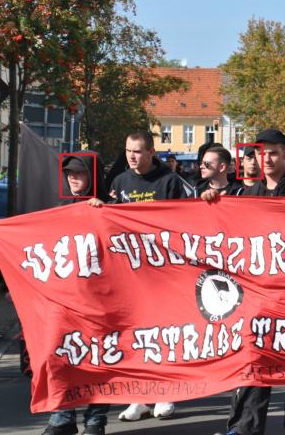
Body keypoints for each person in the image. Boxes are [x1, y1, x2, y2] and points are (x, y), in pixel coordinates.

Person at [222, 129, 285, 435]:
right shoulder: (251, 193)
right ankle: (246, 428)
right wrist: (212, 202)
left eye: (273, 153)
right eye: (260, 153)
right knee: (255, 364)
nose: (265, 159)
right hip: (261, 297)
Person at [88, 131, 186, 421]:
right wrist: (100, 208)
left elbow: (185, 219)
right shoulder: (120, 181)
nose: (132, 156)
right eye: (129, 150)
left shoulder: (169, 182)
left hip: (164, 269)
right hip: (130, 270)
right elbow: (112, 220)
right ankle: (139, 398)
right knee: (134, 335)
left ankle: (166, 394)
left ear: (152, 152)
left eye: (139, 151)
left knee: (163, 334)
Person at [44, 152, 110, 435]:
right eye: (69, 173)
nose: (72, 177)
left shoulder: (109, 207)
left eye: (79, 173)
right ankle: (62, 418)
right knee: (61, 357)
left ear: (92, 177)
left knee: (99, 359)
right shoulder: (59, 207)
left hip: (99, 300)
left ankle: (95, 421)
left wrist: (104, 211)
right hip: (65, 300)